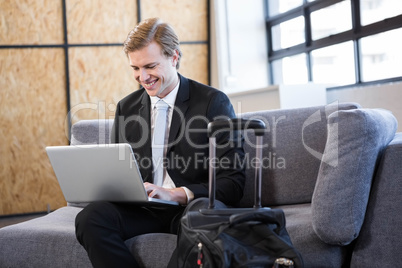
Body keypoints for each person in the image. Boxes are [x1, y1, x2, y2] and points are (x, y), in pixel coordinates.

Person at [75, 17, 245, 268]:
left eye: (150, 66)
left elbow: (234, 181)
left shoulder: (212, 102)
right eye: (135, 68)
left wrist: (178, 194)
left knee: (202, 216)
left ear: (174, 57)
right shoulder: (126, 107)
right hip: (143, 208)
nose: (142, 77)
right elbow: (118, 170)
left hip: (190, 208)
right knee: (91, 217)